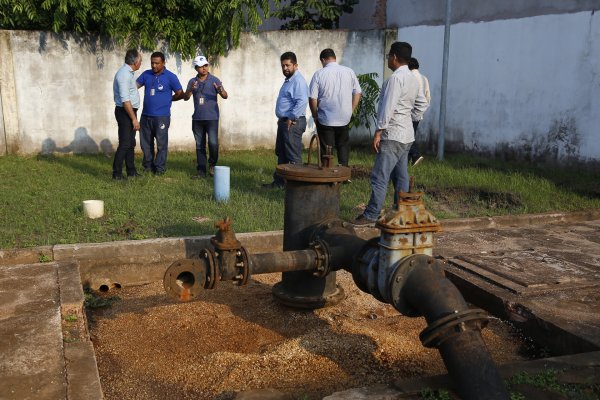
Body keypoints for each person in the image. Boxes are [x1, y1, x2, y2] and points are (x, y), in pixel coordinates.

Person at [354, 42, 428, 225]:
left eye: (388, 56)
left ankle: (371, 214)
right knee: (400, 175)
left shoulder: (396, 79)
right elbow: (422, 104)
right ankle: (400, 211)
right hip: (407, 135)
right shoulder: (413, 78)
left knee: (380, 176)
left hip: (393, 134)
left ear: (394, 57)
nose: (388, 59)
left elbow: (388, 107)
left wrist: (379, 131)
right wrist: (409, 117)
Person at [309, 48, 362, 167]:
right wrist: (351, 109)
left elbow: (312, 98)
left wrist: (315, 115)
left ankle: (327, 173)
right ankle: (343, 173)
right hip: (344, 117)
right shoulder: (349, 71)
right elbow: (358, 92)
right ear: (334, 58)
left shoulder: (319, 74)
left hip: (326, 118)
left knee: (327, 147)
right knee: (343, 145)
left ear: (323, 60)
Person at [263, 51, 308, 189]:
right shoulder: (289, 80)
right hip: (285, 122)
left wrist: (291, 117)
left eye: (288, 65)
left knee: (293, 156)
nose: (285, 68)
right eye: (283, 66)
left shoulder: (298, 81)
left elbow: (302, 101)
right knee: (282, 153)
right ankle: (279, 183)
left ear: (296, 65)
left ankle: (297, 188)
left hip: (292, 123)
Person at [136, 51, 184, 175]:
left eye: (157, 63)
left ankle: (159, 169)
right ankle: (148, 167)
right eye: (152, 63)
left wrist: (169, 99)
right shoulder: (146, 74)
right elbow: (134, 86)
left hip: (162, 117)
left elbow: (180, 93)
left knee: (161, 144)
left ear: (163, 63)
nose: (154, 66)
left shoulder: (170, 76)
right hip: (146, 115)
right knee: (145, 143)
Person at [183, 55, 228, 178]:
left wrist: (220, 90)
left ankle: (212, 164)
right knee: (199, 145)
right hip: (197, 118)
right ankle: (201, 170)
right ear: (196, 68)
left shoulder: (215, 80)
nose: (204, 68)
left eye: (206, 65)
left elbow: (225, 95)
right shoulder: (192, 81)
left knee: (213, 143)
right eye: (201, 66)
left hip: (212, 118)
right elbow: (186, 98)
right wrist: (190, 91)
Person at [112, 49, 142, 180]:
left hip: (129, 112)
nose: (141, 63)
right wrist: (134, 119)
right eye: (140, 60)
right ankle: (117, 173)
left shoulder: (128, 73)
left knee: (130, 143)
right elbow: (125, 100)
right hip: (125, 112)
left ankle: (131, 171)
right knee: (125, 143)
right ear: (136, 62)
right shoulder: (124, 75)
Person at [408, 57, 431, 166]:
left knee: (407, 137)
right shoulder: (424, 78)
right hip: (419, 113)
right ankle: (407, 160)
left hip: (409, 112)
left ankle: (415, 154)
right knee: (411, 135)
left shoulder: (409, 77)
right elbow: (428, 97)